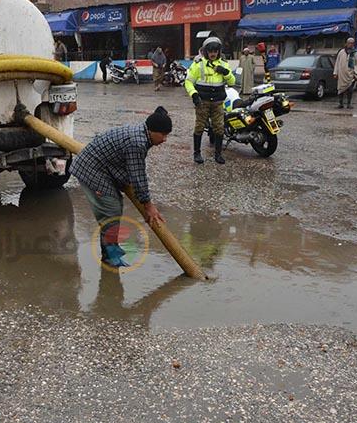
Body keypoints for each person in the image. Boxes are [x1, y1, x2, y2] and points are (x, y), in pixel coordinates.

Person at [70, 107, 172, 268]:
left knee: (116, 203)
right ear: (152, 131)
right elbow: (138, 175)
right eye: (164, 135)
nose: (165, 139)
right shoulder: (137, 142)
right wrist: (148, 205)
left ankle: (113, 246)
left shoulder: (142, 133)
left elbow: (131, 170)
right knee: (111, 209)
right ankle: (109, 256)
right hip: (91, 169)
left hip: (103, 166)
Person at [184, 36, 235, 165]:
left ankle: (218, 154)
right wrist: (194, 94)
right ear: (206, 51)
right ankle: (197, 153)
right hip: (203, 102)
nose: (213, 53)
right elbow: (188, 82)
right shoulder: (198, 64)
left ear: (219, 51)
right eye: (210, 51)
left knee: (219, 128)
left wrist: (226, 73)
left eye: (215, 51)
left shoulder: (223, 64)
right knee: (199, 127)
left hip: (218, 102)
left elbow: (232, 82)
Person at [333, 37, 357, 109]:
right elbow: (337, 62)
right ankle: (341, 104)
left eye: (352, 43)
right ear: (346, 43)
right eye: (349, 43)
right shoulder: (341, 52)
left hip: (350, 75)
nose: (350, 44)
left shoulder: (356, 53)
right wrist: (335, 73)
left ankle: (349, 104)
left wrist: (356, 74)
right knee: (340, 89)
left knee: (350, 90)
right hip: (341, 74)